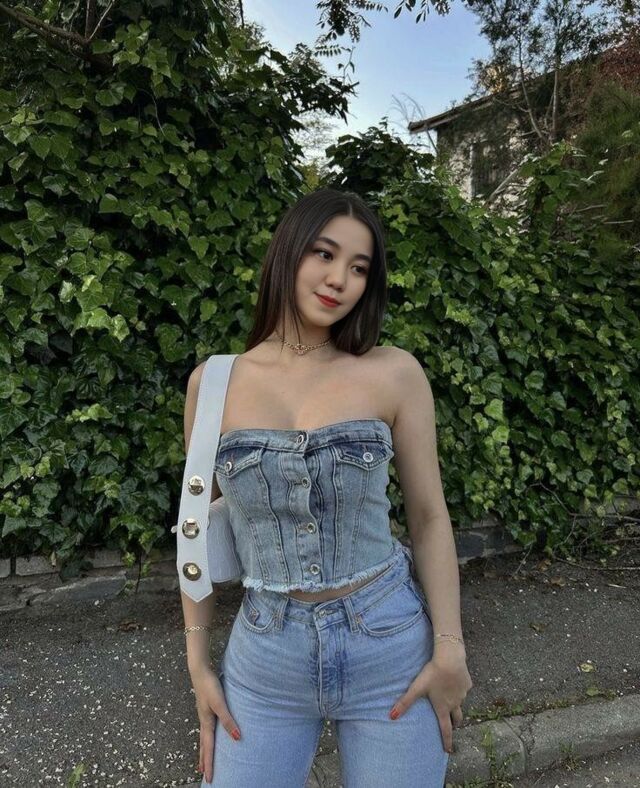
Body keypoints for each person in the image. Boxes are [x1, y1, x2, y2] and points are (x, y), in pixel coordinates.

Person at [180, 188, 473, 787]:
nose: (340, 278)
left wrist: (451, 646)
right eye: (325, 253)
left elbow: (428, 517)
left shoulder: (394, 372)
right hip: (267, 657)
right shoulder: (212, 385)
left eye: (359, 268)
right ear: (288, 252)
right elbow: (196, 530)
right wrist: (197, 663)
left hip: (389, 645)